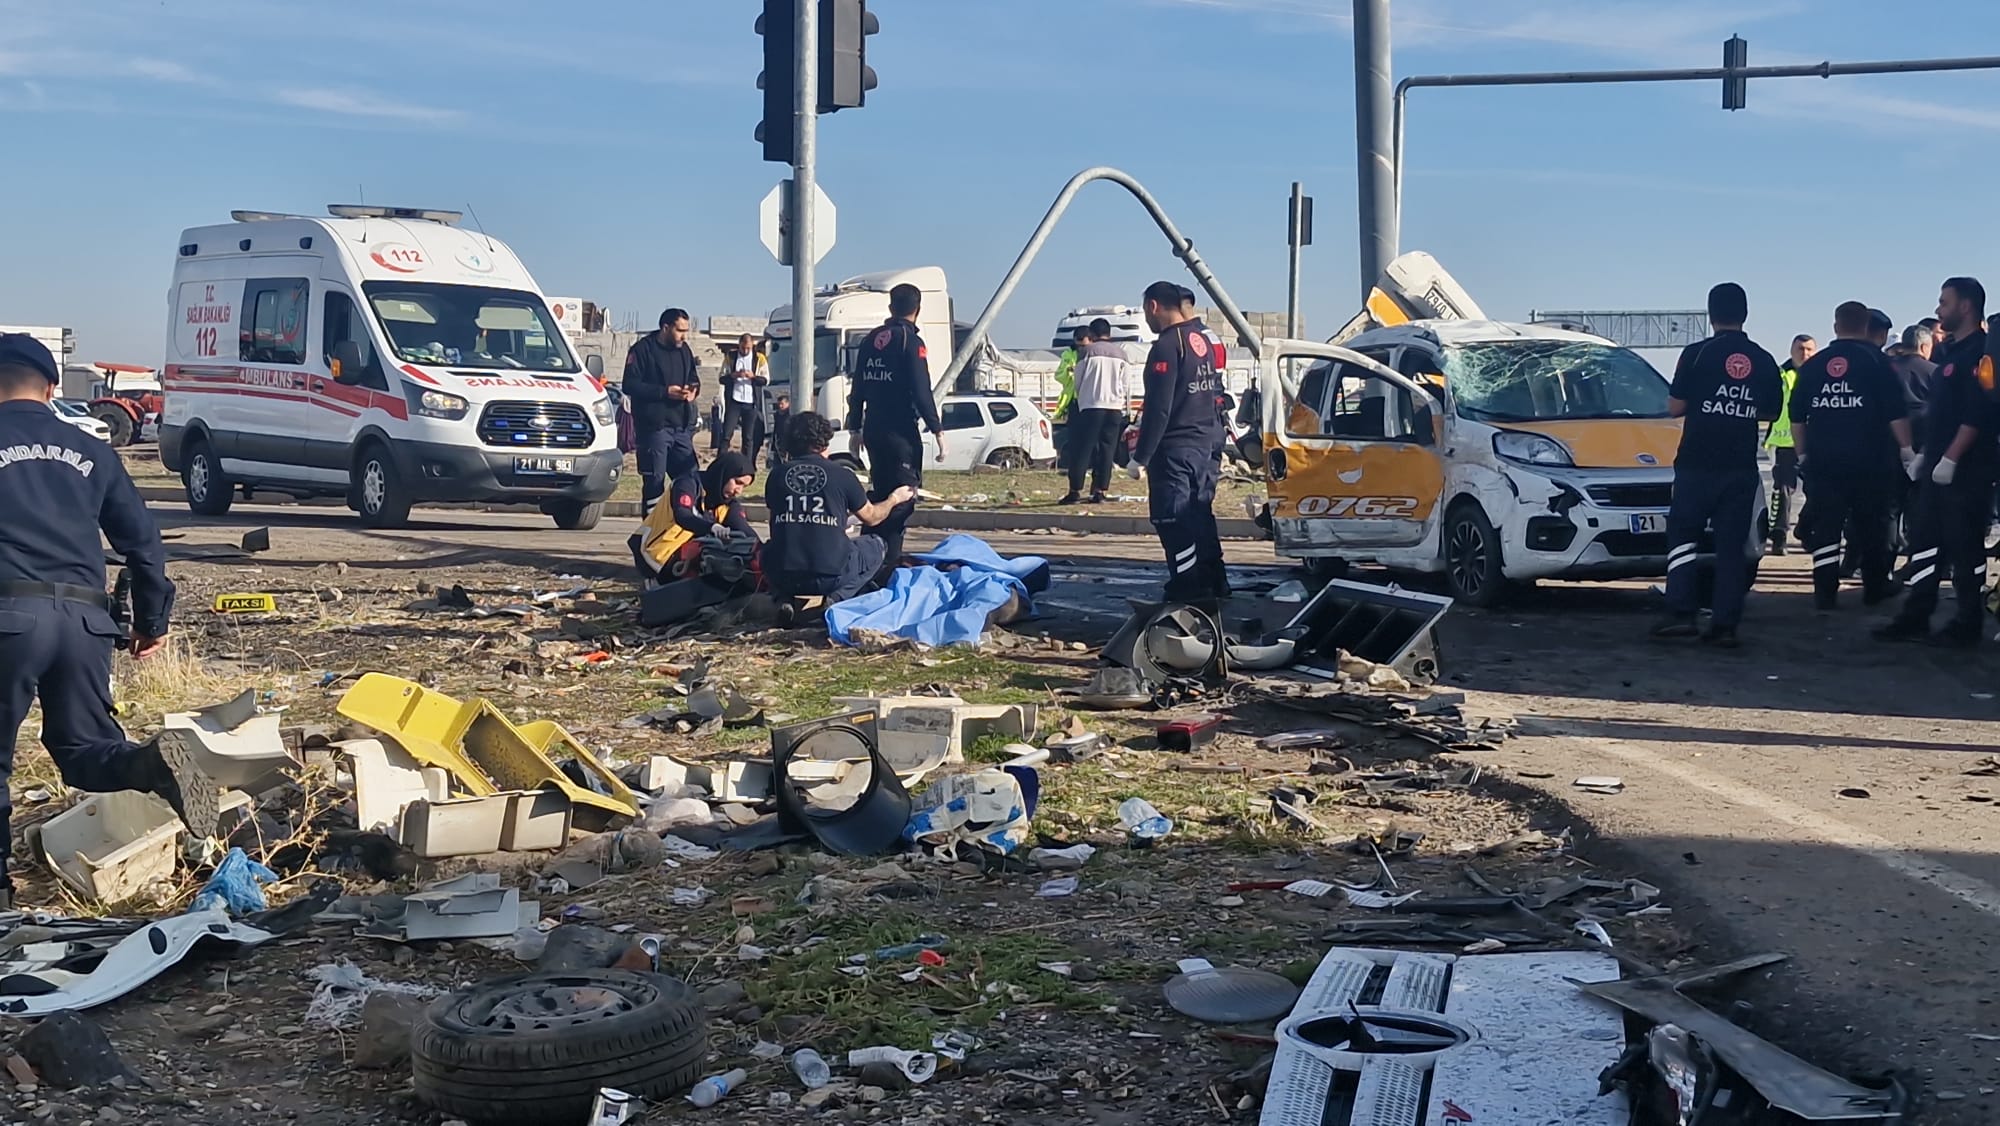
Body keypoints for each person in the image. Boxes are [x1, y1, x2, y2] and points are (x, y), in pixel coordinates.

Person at [0, 334, 216, 907]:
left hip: (8, 617)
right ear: (51, 389)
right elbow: (143, 542)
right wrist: (152, 619)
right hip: (85, 621)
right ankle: (148, 763)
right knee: (84, 751)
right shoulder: (91, 451)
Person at [1653, 283, 1783, 648]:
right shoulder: (1763, 359)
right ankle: (1725, 624)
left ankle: (1681, 614)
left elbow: (1675, 407)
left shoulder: (1696, 354)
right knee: (1731, 547)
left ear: (1711, 315)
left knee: (1683, 538)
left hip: (1697, 463)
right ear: (1746, 314)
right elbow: (1771, 411)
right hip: (1740, 465)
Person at [1876, 277, 1995, 646]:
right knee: (1924, 541)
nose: (1938, 308)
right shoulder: (1947, 353)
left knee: (1965, 547)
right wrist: (1926, 455)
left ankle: (1967, 622)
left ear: (1965, 306)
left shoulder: (1982, 353)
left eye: (1945, 302)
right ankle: (1916, 615)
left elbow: (1978, 413)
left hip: (1966, 470)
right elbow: (1941, 413)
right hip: (1936, 464)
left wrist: (1951, 458)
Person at [1789, 302, 1916, 610]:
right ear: (1865, 327)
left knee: (1827, 527)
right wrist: (1907, 451)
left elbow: (1797, 417)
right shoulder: (1877, 362)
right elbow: (1895, 413)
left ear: (1836, 327)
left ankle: (1824, 592)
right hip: (1870, 461)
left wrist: (1803, 455)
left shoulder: (1815, 365)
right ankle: (1874, 588)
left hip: (1823, 461)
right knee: (1872, 526)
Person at [1135, 280, 1227, 600]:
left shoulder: (1167, 345)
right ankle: (1214, 579)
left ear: (1153, 306)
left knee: (1171, 518)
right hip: (1203, 441)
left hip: (1174, 446)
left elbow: (1159, 408)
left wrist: (1141, 456)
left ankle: (1187, 585)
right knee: (1199, 513)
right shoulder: (1201, 340)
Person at [844, 283, 945, 568]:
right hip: (900, 432)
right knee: (903, 497)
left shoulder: (870, 339)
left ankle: (869, 557)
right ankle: (885, 561)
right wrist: (937, 429)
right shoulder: (911, 342)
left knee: (881, 492)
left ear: (891, 307)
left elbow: (858, 385)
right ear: (918, 309)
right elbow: (921, 390)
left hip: (873, 429)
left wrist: (855, 427)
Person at [765, 412, 913, 603]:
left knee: (769, 549)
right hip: (829, 577)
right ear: (824, 442)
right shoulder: (842, 475)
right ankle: (835, 599)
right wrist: (894, 499)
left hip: (783, 576)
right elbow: (872, 517)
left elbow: (783, 522)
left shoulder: (776, 476)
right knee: (877, 545)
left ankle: (783, 599)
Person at [630, 451, 759, 585]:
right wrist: (712, 527)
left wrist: (762, 551)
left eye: (744, 486)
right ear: (724, 474)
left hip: (684, 555)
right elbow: (683, 516)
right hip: (656, 551)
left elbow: (743, 529)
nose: (739, 490)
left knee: (738, 554)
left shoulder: (727, 503)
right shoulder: (687, 484)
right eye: (737, 482)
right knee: (713, 555)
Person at [623, 308, 702, 515]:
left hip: (681, 428)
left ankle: (688, 523)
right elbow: (630, 385)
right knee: (654, 482)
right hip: (654, 429)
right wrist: (664, 392)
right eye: (680, 330)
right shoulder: (642, 350)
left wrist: (693, 389)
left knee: (690, 478)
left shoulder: (684, 350)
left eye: (686, 331)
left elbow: (694, 378)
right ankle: (651, 529)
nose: (684, 336)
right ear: (665, 328)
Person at [1060, 319, 1130, 506]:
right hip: (1114, 408)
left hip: (1091, 406)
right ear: (1109, 333)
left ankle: (1075, 490)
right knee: (1107, 450)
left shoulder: (1086, 352)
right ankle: (1100, 491)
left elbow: (1078, 380)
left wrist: (1083, 397)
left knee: (1082, 449)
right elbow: (1125, 383)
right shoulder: (1121, 354)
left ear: (1092, 333)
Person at [1765, 334, 1815, 555]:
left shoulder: (1820, 374)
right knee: (1783, 490)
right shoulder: (1780, 374)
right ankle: (1778, 536)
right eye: (1800, 349)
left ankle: (1805, 528)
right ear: (1792, 350)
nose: (1804, 354)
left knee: (1818, 490)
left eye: (1809, 349)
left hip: (1814, 441)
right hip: (1785, 441)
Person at [718, 335, 767, 455]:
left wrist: (753, 377)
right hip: (734, 400)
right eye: (743, 348)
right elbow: (721, 378)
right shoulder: (730, 357)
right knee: (726, 434)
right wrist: (733, 376)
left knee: (748, 437)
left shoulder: (759, 358)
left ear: (752, 346)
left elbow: (765, 380)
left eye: (748, 348)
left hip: (751, 402)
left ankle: (747, 463)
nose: (745, 351)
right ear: (739, 345)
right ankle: (720, 460)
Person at [764, 393, 792, 467]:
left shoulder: (791, 414)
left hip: (788, 438)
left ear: (788, 403)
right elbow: (776, 427)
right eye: (779, 404)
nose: (780, 406)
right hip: (779, 438)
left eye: (782, 404)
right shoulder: (777, 414)